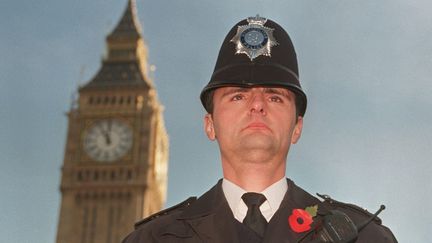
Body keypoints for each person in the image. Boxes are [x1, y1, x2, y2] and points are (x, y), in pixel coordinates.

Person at [122, 15, 397, 243]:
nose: (257, 105)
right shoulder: (153, 239)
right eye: (238, 96)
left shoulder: (362, 237)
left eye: (275, 96)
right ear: (210, 124)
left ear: (297, 127)